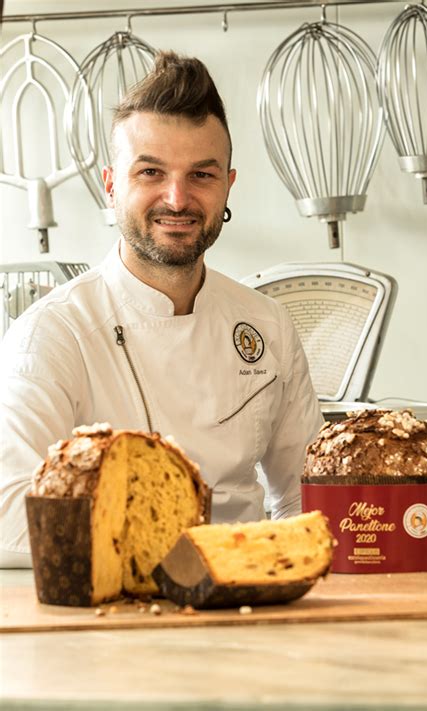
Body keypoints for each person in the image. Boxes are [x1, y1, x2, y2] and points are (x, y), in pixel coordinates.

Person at [0, 51, 323, 567]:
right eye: (151, 172)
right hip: (113, 612)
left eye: (201, 175)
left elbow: (307, 499)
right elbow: (10, 516)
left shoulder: (267, 325)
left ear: (227, 186)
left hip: (246, 604)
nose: (177, 198)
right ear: (112, 185)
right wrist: (175, 556)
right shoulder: (52, 334)